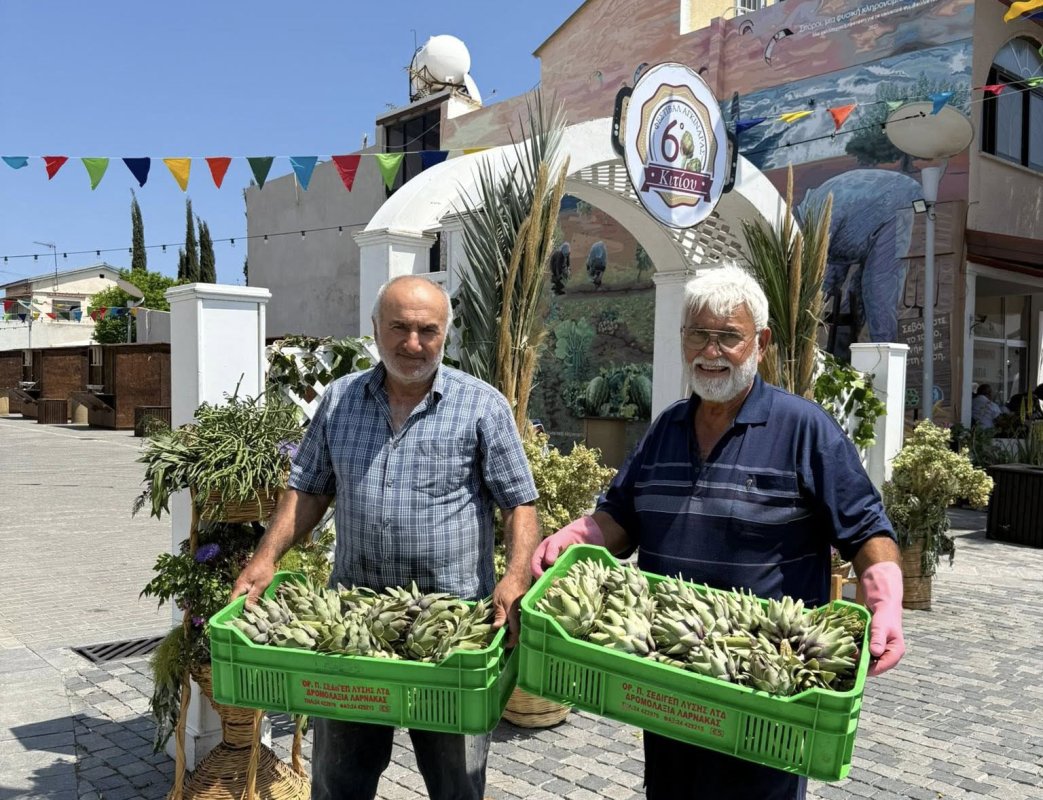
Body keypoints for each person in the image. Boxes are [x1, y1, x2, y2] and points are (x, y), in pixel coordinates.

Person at [531, 264, 905, 800]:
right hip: (670, 672)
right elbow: (622, 517)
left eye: (729, 336)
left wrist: (885, 595)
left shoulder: (803, 429)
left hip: (765, 685)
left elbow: (866, 527)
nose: (711, 351)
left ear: (761, 343)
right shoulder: (665, 428)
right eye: (699, 334)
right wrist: (580, 533)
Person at [232, 275, 540, 800]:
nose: (413, 343)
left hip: (452, 634)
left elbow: (519, 503)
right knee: (340, 781)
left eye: (428, 330)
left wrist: (515, 577)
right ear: (375, 328)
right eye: (399, 327)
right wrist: (266, 558)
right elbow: (308, 488)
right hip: (351, 628)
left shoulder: (481, 405)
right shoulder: (340, 400)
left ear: (444, 334)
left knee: (457, 784)